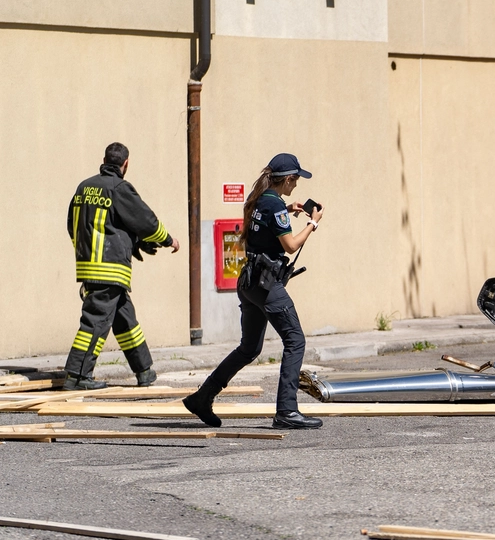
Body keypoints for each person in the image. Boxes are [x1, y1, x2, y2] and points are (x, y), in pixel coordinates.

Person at [183, 153, 324, 430]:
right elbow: (291, 245)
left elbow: (269, 221)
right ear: (286, 179)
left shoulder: (259, 199)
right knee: (295, 340)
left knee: (249, 348)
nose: (296, 186)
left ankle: (203, 397)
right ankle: (287, 411)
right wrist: (313, 223)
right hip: (267, 285)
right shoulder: (276, 208)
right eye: (295, 181)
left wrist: (288, 207)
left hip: (248, 283)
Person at [63, 143, 180, 390]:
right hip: (110, 268)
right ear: (125, 164)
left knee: (125, 319)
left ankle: (144, 371)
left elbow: (73, 224)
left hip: (89, 265)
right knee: (95, 322)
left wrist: (127, 244)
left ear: (104, 159)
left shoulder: (84, 187)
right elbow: (146, 221)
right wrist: (168, 239)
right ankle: (77, 375)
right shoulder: (119, 188)